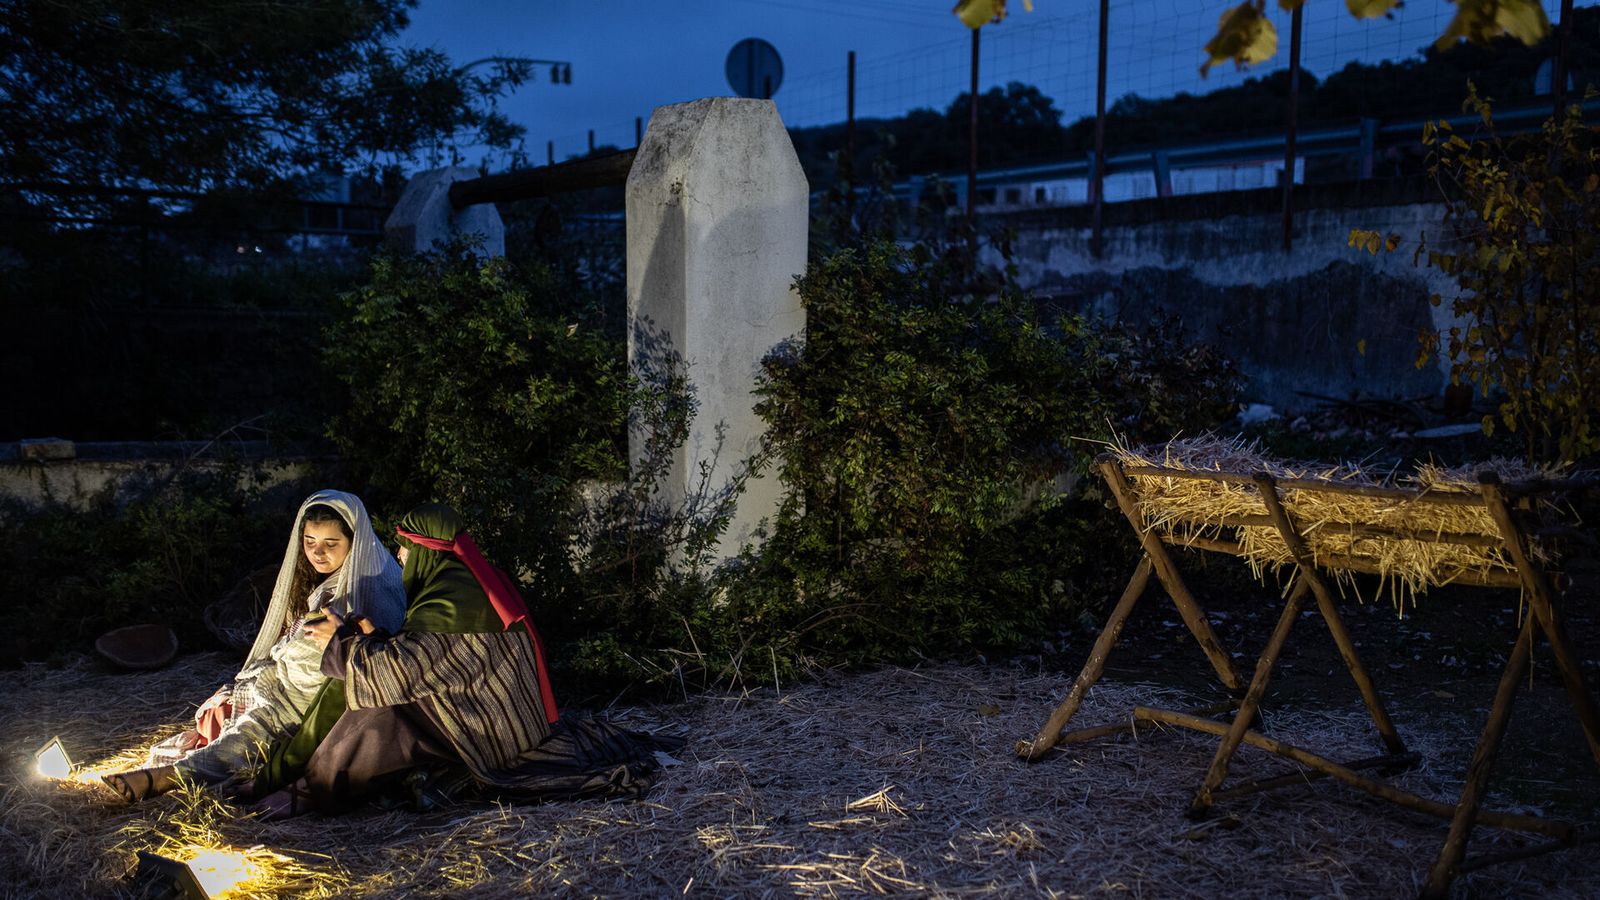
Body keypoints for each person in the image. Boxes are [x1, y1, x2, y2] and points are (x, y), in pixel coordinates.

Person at [254, 503, 676, 818]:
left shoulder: (449, 603)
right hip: (492, 713)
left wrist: (342, 639)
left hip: (489, 731)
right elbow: (424, 660)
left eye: (405, 553)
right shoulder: (467, 585)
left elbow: (397, 674)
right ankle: (310, 775)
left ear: (426, 553)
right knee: (368, 688)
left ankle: (312, 788)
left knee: (375, 712)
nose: (401, 562)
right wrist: (371, 638)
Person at [102, 490, 405, 802]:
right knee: (219, 711)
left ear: (354, 542)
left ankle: (168, 777)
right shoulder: (324, 585)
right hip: (285, 686)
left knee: (255, 733)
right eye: (309, 541)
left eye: (331, 544)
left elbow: (355, 661)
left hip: (319, 702)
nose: (318, 553)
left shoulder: (368, 589)